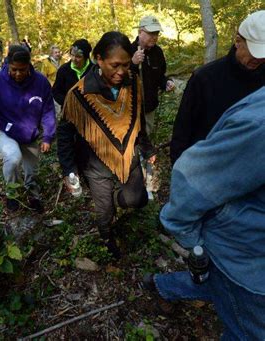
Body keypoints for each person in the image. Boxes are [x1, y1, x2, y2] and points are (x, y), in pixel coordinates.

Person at [145, 85, 265, 340]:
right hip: (247, 257)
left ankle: (162, 286)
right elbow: (192, 173)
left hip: (242, 253)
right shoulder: (258, 124)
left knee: (217, 281)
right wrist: (191, 238)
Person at [57, 32, 155, 256]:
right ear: (98, 59)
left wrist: (147, 148)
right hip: (95, 163)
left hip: (128, 156)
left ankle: (118, 197)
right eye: (115, 65)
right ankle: (107, 238)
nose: (121, 71)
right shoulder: (79, 94)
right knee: (104, 211)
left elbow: (137, 119)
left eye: (126, 64)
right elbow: (65, 134)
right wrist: (68, 168)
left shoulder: (133, 83)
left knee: (136, 199)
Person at [170, 10, 265, 164]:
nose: (260, 59)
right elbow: (182, 132)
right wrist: (180, 172)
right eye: (255, 52)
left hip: (253, 168)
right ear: (238, 41)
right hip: (209, 168)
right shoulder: (204, 79)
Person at [0, 45, 56, 212]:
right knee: (13, 158)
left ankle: (32, 194)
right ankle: (13, 194)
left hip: (29, 133)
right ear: (7, 64)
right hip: (5, 129)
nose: (18, 73)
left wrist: (47, 136)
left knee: (31, 169)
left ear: (29, 66)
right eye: (14, 69)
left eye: (22, 70)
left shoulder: (40, 82)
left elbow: (48, 110)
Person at [131, 15, 175, 136]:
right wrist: (133, 63)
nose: (154, 37)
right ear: (140, 32)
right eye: (151, 33)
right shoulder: (128, 50)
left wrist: (166, 82)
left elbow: (160, 75)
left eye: (156, 33)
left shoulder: (158, 52)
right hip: (130, 110)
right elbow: (118, 78)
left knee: (147, 137)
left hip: (150, 107)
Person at [52, 39, 93, 107]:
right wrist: (68, 103)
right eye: (72, 55)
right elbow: (56, 92)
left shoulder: (94, 70)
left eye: (78, 57)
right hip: (68, 112)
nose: (74, 59)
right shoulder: (64, 70)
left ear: (86, 57)